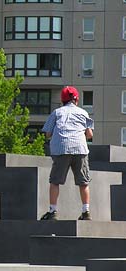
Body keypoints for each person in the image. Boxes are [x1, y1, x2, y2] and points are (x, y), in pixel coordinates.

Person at [40, 86, 94, 221]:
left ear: (62, 100)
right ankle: (86, 211)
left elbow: (47, 134)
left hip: (61, 149)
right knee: (83, 182)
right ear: (76, 99)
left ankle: (52, 211)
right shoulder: (83, 113)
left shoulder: (57, 113)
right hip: (80, 149)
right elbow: (90, 134)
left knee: (55, 182)